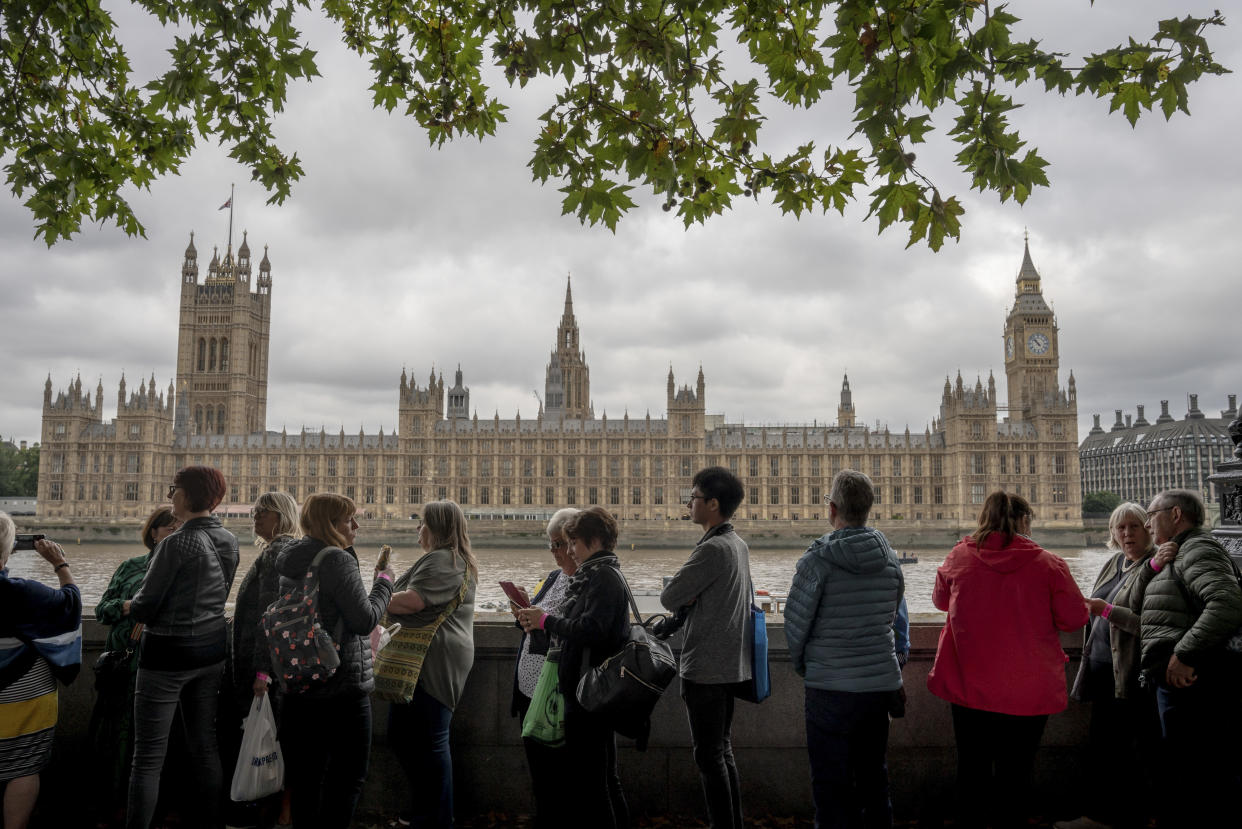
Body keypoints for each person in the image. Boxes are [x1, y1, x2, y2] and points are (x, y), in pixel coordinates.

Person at [927, 491, 1088, 829]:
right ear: (1025, 521)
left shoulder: (959, 556)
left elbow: (941, 601)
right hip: (1028, 689)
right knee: (1016, 773)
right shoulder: (1049, 563)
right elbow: (1074, 619)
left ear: (983, 519)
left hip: (969, 685)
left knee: (972, 770)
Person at [783, 470, 905, 829]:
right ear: (869, 508)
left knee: (831, 787)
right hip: (878, 688)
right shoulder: (890, 560)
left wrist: (809, 666)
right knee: (874, 782)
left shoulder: (816, 561)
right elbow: (892, 616)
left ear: (832, 508)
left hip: (830, 689)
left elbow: (795, 625)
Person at [127, 465, 239, 829]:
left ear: (188, 495)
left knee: (147, 757)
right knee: (204, 745)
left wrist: (129, 605)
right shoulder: (229, 539)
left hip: (168, 655)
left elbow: (145, 606)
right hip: (211, 650)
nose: (169, 495)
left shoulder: (175, 542)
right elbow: (218, 594)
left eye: (173, 489)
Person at [276, 493, 394, 829]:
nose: (356, 525)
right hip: (339, 687)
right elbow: (363, 620)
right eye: (349, 520)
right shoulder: (337, 560)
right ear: (331, 524)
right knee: (348, 778)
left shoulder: (290, 557)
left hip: (298, 684)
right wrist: (384, 583)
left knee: (305, 782)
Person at [516, 507, 630, 829]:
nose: (569, 551)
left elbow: (590, 629)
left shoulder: (604, 577)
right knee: (603, 779)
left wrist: (546, 620)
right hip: (585, 690)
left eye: (573, 543)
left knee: (596, 785)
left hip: (591, 695)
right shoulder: (596, 574)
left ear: (593, 541)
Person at [1138, 488, 1242, 829]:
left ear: (1176, 515)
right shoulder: (1177, 552)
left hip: (1188, 680)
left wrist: (1184, 653)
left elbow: (1227, 604)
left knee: (1191, 766)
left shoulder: (1198, 548)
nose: (1147, 523)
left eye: (1152, 514)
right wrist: (1154, 565)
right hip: (1167, 678)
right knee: (1174, 762)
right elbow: (1142, 603)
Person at [1056, 503, 1161, 829]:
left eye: (1134, 527)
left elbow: (1154, 626)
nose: (1127, 534)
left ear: (1148, 530)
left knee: (1131, 750)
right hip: (1102, 668)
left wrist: (1106, 610)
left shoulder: (1156, 568)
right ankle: (1103, 814)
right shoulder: (1114, 563)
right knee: (1102, 747)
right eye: (1121, 528)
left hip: (1130, 672)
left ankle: (1128, 816)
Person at [659, 467, 752, 829]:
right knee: (722, 752)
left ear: (713, 504)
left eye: (694, 497)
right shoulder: (738, 544)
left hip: (707, 668)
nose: (689, 503)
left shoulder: (713, 548)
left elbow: (669, 596)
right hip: (731, 665)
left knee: (709, 757)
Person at [384, 500, 478, 829]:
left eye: (422, 523)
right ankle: (427, 808)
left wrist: (377, 592)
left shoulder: (444, 560)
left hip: (432, 661)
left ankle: (435, 818)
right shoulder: (446, 560)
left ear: (436, 528)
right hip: (427, 659)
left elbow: (412, 602)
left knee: (429, 741)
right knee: (405, 734)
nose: (417, 529)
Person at [90, 506, 180, 827]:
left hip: (163, 669)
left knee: (160, 743)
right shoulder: (130, 568)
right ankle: (113, 805)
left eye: (181, 530)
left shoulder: (186, 571)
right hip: (124, 667)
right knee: (117, 739)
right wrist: (129, 606)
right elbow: (102, 610)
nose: (175, 535)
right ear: (153, 533)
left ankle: (157, 809)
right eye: (170, 529)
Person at [0, 513, 82, 829]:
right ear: (6, 553)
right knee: (23, 769)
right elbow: (70, 606)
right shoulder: (26, 594)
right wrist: (60, 565)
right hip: (24, 699)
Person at [225, 491, 300, 826]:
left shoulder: (278, 553)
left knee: (269, 739)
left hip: (264, 670)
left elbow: (269, 617)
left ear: (281, 516)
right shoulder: (279, 550)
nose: (255, 517)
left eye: (263, 512)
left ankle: (269, 811)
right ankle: (275, 811)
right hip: (269, 666)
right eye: (254, 511)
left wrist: (262, 672)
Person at [509, 508, 579, 829]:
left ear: (577, 543)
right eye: (550, 545)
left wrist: (540, 619)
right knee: (539, 773)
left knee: (558, 776)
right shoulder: (555, 577)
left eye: (559, 545)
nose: (553, 552)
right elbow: (536, 626)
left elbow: (578, 632)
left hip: (554, 695)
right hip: (529, 688)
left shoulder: (584, 580)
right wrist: (523, 610)